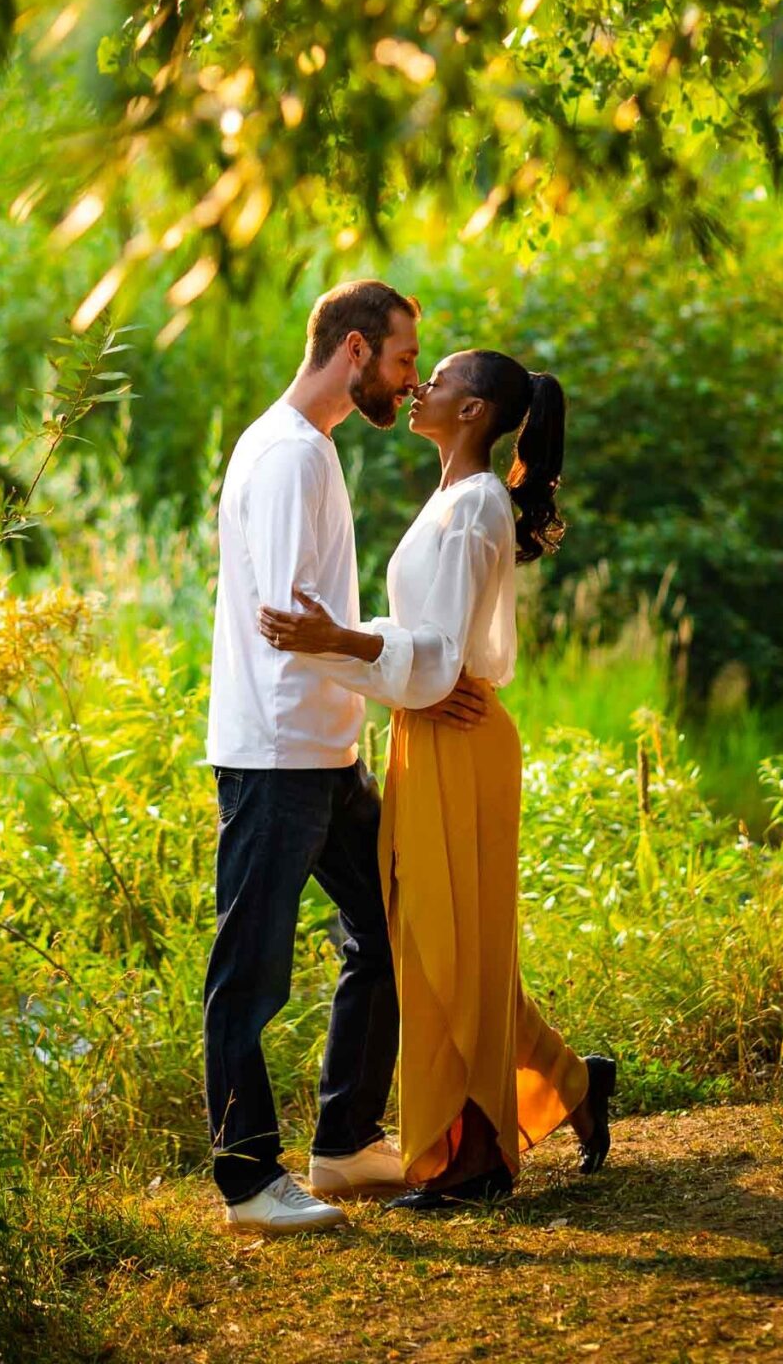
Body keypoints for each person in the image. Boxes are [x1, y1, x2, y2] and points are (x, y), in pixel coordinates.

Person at [259, 347, 616, 1211]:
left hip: (459, 734)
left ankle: (474, 1158)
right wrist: (348, 643)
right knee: (436, 936)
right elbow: (425, 647)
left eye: (441, 377)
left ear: (472, 411)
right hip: (429, 730)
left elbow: (444, 655)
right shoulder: (454, 500)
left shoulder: (478, 505)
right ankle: (571, 1080)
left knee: (447, 943)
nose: (422, 386)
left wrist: (339, 641)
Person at [204, 278, 475, 1234]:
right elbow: (290, 623)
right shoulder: (285, 456)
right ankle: (246, 1184)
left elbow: (311, 623)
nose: (409, 384)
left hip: (324, 750)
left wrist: (375, 655)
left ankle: (347, 1143)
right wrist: (408, 657)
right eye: (404, 360)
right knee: (251, 973)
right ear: (354, 351)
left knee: (391, 928)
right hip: (277, 755)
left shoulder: (309, 450)